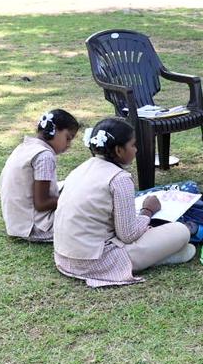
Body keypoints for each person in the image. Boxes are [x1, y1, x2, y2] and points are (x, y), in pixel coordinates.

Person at [53, 118, 195, 287]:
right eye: (133, 145)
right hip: (97, 261)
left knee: (176, 240)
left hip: (65, 258)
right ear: (119, 150)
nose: (136, 150)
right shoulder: (119, 179)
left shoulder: (80, 169)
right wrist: (148, 211)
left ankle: (159, 255)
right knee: (181, 231)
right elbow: (128, 235)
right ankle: (152, 259)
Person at [0, 109, 80, 242]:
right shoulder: (45, 156)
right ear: (55, 131)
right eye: (68, 138)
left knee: (75, 184)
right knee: (89, 217)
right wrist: (75, 201)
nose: (68, 145)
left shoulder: (26, 146)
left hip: (17, 223)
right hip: (34, 227)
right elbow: (42, 204)